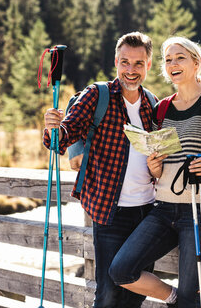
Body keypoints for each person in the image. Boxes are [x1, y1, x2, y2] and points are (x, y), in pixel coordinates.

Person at [108, 36, 201, 307]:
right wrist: (154, 167)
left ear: (196, 63)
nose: (172, 64)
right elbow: (160, 165)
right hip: (164, 209)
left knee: (191, 298)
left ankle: (183, 300)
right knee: (121, 270)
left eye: (179, 57)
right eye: (167, 59)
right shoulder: (162, 109)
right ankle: (174, 299)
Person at [43, 32, 157, 308]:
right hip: (110, 211)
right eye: (125, 62)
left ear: (148, 66)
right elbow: (63, 137)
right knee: (107, 293)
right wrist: (52, 127)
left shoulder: (153, 104)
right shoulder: (98, 95)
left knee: (135, 293)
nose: (131, 70)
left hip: (149, 213)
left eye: (138, 63)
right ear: (116, 62)